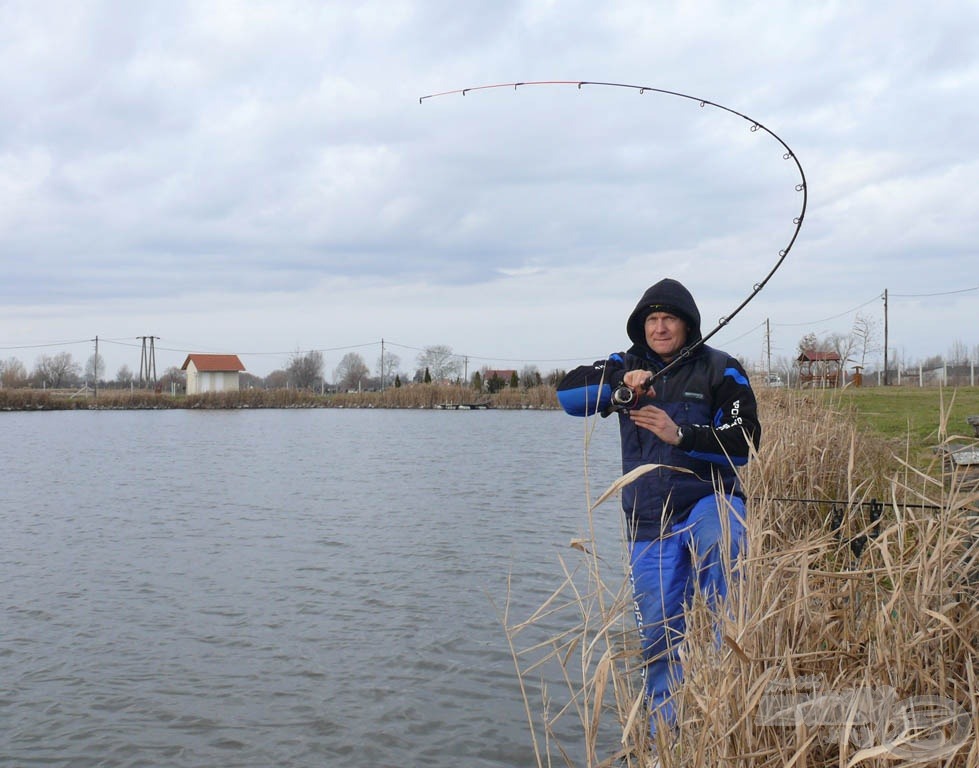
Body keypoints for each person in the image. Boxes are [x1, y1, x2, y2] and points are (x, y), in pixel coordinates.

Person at [556, 277, 760, 738]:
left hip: (711, 499)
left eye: (669, 319)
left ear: (687, 325)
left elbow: (744, 442)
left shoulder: (722, 370)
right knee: (658, 633)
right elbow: (567, 396)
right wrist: (616, 385)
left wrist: (680, 434)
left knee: (725, 549)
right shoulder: (623, 366)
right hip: (650, 520)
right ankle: (663, 735)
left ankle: (723, 693)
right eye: (652, 319)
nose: (660, 327)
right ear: (641, 326)